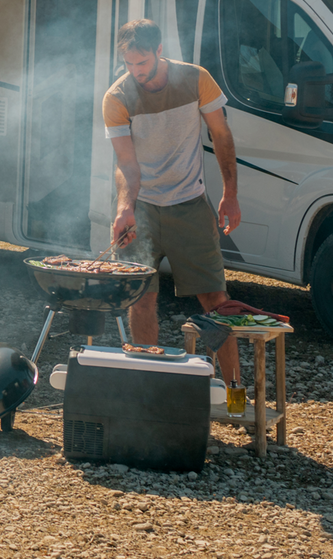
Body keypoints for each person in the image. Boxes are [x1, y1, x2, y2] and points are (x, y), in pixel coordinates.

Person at [104, 19, 243, 387]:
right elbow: (126, 164)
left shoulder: (196, 79)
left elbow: (222, 135)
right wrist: (124, 208)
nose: (137, 72)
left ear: (159, 51)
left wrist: (230, 193)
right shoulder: (117, 98)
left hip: (190, 204)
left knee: (216, 300)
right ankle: (146, 389)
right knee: (141, 299)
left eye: (143, 63)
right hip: (144, 209)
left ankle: (236, 396)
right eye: (129, 64)